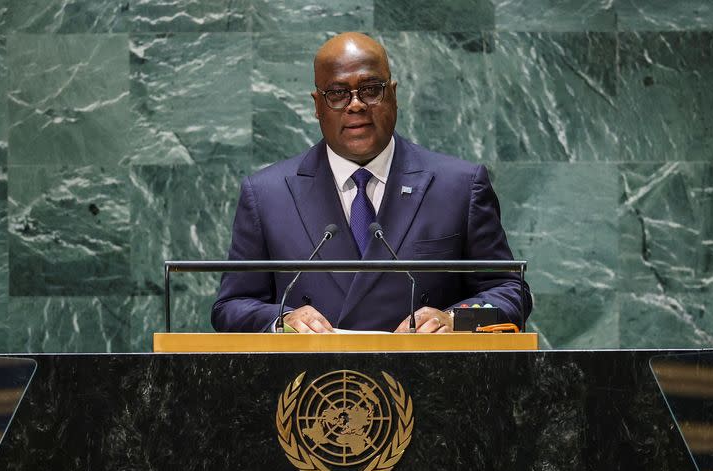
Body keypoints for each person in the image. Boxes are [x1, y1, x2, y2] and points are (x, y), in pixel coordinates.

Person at [211, 32, 531, 333]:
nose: (355, 105)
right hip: (313, 387)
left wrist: (453, 320)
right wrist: (282, 320)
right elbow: (230, 306)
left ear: (393, 94)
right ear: (317, 106)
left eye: (370, 89)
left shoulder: (459, 186)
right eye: (337, 93)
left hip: (429, 383)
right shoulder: (268, 194)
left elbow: (510, 293)